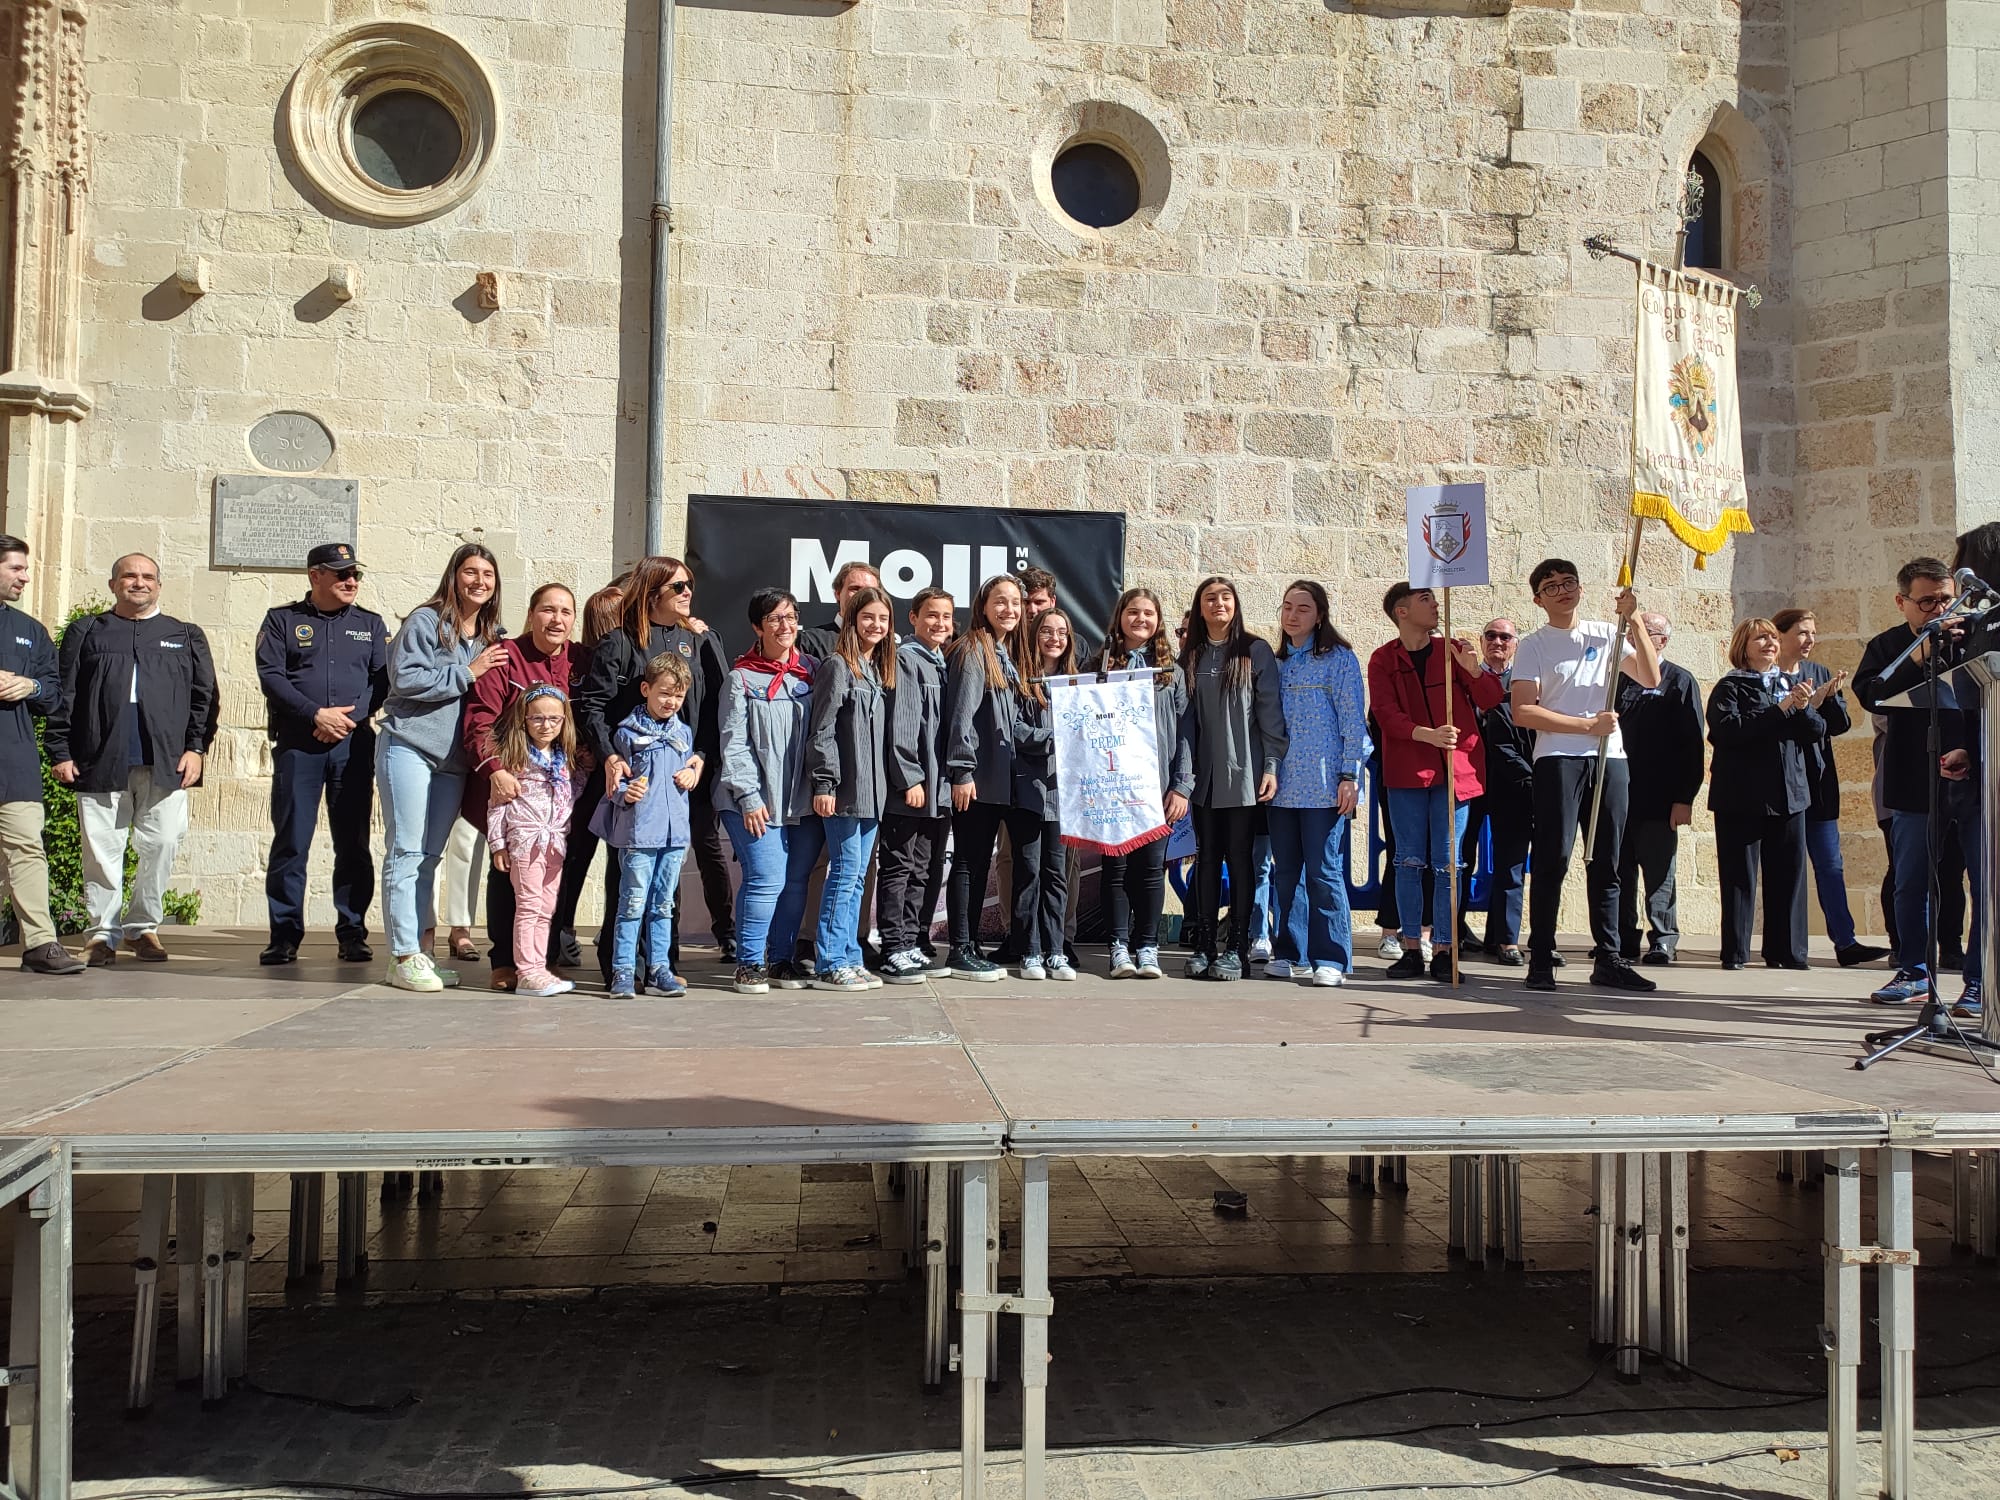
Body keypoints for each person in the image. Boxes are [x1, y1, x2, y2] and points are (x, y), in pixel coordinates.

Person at [46, 553, 218, 966]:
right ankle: (101, 934)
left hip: (166, 760)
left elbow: (204, 697)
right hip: (99, 757)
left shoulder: (184, 634)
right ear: (113, 584)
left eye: (147, 577)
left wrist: (196, 748)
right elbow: (62, 692)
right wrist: (60, 749)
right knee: (102, 849)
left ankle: (143, 927)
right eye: (129, 576)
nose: (138, 583)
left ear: (159, 585)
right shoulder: (88, 632)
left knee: (162, 843)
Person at [1509, 558, 1661, 994]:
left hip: (1609, 759)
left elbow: (1650, 675)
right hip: (1559, 757)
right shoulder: (1535, 645)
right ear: (1538, 598)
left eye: (1568, 582)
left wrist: (1633, 622)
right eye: (1551, 586)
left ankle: (1609, 957)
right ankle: (1540, 956)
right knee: (1554, 857)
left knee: (1608, 860)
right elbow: (1523, 711)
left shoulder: (1605, 633)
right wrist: (1585, 726)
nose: (1562, 590)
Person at [575, 556, 730, 980]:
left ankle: (662, 963)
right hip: (634, 776)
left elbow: (718, 705)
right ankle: (622, 964)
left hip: (684, 775)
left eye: (689, 585)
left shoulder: (694, 639)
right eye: (678, 586)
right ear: (652, 592)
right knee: (628, 873)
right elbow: (594, 706)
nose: (687, 593)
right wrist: (610, 756)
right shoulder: (620, 641)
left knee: (669, 875)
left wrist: (701, 757)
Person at [375, 544, 508, 993]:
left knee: (430, 856)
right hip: (409, 745)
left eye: (487, 574)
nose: (479, 581)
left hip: (455, 763)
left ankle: (421, 954)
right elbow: (405, 679)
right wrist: (467, 672)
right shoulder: (426, 620)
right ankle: (402, 955)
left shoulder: (493, 635)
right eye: (470, 572)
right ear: (453, 576)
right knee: (406, 852)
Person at [255, 542, 388, 966]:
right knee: (292, 842)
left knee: (353, 843)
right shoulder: (283, 620)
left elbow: (381, 682)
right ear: (315, 576)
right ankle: (284, 935)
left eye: (355, 574)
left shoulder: (370, 624)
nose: (351, 581)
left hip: (352, 746)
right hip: (300, 745)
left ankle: (352, 932)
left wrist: (347, 720)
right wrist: (314, 713)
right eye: (340, 573)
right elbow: (271, 675)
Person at [1368, 582, 1504, 982]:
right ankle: (1412, 947)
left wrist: (1474, 670)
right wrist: (1426, 734)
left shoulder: (1452, 652)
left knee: (1449, 863)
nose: (1434, 605)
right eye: (1424, 599)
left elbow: (1492, 699)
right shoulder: (1382, 659)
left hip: (1454, 773)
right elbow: (1385, 713)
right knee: (1408, 861)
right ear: (1402, 612)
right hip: (1407, 772)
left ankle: (1445, 946)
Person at [1856, 557, 1971, 1006]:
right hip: (1912, 777)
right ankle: (1913, 970)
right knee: (1912, 880)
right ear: (1902, 602)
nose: (1939, 610)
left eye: (1945, 599)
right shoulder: (1888, 646)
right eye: (1927, 602)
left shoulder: (1973, 639)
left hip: (1972, 778)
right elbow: (1872, 695)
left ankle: (1977, 981)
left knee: (1978, 880)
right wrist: (1921, 653)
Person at [462, 583, 582, 991]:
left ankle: (541, 961)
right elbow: (479, 721)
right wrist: (496, 769)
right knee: (506, 876)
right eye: (548, 610)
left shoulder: (578, 660)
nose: (557, 619)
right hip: (510, 789)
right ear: (531, 614)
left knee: (552, 880)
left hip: (558, 795)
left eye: (566, 612)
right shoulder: (505, 658)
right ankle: (504, 962)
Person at [1179, 574, 1288, 982]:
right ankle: (1205, 944)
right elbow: (1185, 723)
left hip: (1245, 778)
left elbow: (1271, 715)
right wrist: (1185, 777)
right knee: (1207, 861)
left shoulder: (1254, 652)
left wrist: (1271, 766)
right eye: (1210, 598)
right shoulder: (1191, 655)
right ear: (1199, 606)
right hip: (1204, 779)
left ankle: (1237, 948)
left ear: (1235, 604)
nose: (1218, 604)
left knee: (1242, 861)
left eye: (1225, 597)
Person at [714, 588, 822, 995]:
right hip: (754, 799)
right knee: (765, 878)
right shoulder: (740, 678)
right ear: (758, 627)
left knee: (795, 882)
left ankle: (780, 958)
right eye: (775, 618)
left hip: (802, 798)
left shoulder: (811, 670)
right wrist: (748, 796)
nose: (786, 625)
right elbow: (733, 742)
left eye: (791, 617)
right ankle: (749, 963)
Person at [1084, 587, 1191, 981]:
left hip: (1157, 788)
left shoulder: (1171, 672)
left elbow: (1185, 733)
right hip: (1113, 788)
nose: (1140, 619)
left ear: (1158, 621)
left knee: (1150, 870)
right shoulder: (1097, 665)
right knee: (1115, 871)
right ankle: (1118, 947)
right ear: (1119, 618)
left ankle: (1147, 947)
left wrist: (1181, 786)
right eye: (1133, 612)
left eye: (1148, 613)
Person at [1775, 607, 1887, 968]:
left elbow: (1836, 726)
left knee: (1830, 864)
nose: (1810, 640)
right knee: (1783, 867)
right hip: (1780, 783)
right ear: (1781, 635)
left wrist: (1827, 699)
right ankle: (1782, 944)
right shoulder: (1768, 675)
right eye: (1803, 632)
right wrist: (1804, 707)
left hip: (1819, 782)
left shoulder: (1819, 672)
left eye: (1813, 632)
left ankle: (1846, 942)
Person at [1707, 619, 1821, 971]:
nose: (1770, 643)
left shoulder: (1790, 684)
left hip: (1789, 794)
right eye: (1761, 637)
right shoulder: (1731, 686)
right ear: (1744, 644)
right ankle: (1737, 951)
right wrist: (1780, 708)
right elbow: (1727, 732)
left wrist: (1801, 708)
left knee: (1789, 874)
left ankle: (1787, 951)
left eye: (1773, 637)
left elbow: (1816, 730)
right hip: (1742, 796)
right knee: (1740, 875)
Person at [1268, 580, 1366, 987]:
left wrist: (1350, 775)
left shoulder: (1339, 659)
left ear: (1320, 614)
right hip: (1280, 786)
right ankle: (1292, 952)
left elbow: (1352, 721)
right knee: (1286, 870)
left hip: (1324, 784)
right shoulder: (1274, 663)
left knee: (1323, 871)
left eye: (1303, 608)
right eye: (1287, 607)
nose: (1293, 615)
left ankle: (1333, 957)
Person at [943, 573, 1039, 981]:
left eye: (1016, 603)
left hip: (1005, 780)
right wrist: (962, 771)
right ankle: (961, 948)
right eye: (1000, 602)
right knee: (969, 861)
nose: (1010, 610)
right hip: (977, 780)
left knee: (987, 862)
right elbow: (961, 717)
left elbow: (1012, 724)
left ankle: (985, 945)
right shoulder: (971, 650)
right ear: (982, 606)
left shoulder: (1008, 654)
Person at [594, 653, 701, 998]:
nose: (671, 701)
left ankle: (659, 969)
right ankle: (623, 970)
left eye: (678, 695)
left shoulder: (683, 734)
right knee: (631, 903)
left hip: (674, 835)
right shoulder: (626, 734)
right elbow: (613, 785)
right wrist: (627, 791)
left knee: (663, 905)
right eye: (664, 693)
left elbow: (693, 771)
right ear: (646, 689)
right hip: (639, 834)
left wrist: (692, 774)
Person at [805, 585, 895, 991]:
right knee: (842, 874)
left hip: (872, 796)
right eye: (868, 617)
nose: (876, 625)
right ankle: (828, 961)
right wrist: (825, 782)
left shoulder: (874, 669)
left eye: (882, 618)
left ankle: (850, 955)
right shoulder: (838, 665)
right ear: (853, 620)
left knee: (857, 878)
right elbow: (821, 731)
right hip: (844, 793)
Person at [0, 535, 82, 974]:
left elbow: (55, 694)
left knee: (27, 850)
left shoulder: (30, 630)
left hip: (13, 762)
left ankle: (39, 945)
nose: (25, 576)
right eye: (15, 568)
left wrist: (29, 686)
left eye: (25, 568)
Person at [1614, 612, 1706, 966]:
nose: (1635, 638)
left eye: (1646, 632)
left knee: (1659, 874)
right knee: (1618, 872)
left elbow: (1691, 745)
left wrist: (1684, 798)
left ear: (1663, 641)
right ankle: (1621, 939)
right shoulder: (1618, 677)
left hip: (1660, 797)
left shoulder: (1679, 680)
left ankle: (1663, 939)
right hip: (1619, 795)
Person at [548, 574, 626, 968]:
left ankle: (593, 932)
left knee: (609, 857)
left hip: (608, 767)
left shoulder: (627, 657)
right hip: (586, 771)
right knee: (576, 855)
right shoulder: (586, 659)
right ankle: (561, 930)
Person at [878, 587, 955, 984]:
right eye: (931, 615)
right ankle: (892, 947)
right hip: (913, 788)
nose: (939, 623)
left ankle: (911, 941)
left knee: (924, 869)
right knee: (899, 867)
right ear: (913, 618)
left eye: (945, 616)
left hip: (939, 790)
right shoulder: (908, 660)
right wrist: (911, 777)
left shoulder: (942, 663)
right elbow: (903, 726)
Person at [486, 686, 581, 998]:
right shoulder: (515, 757)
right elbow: (497, 804)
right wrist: (498, 843)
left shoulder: (563, 758)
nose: (547, 725)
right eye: (538, 718)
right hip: (526, 840)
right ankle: (526, 971)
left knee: (546, 907)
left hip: (555, 841)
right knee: (527, 906)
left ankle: (538, 967)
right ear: (524, 720)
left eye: (555, 719)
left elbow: (568, 797)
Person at [1468, 617, 1534, 964]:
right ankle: (1454, 930)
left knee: (1510, 861)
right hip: (1469, 781)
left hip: (1512, 785)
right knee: (1460, 859)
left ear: (1515, 644)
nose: (1498, 642)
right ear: (1481, 642)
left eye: (1505, 637)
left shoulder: (1525, 683)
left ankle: (1505, 938)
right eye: (1491, 635)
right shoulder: (1466, 679)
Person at [1014, 607, 1074, 980]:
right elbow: (1015, 729)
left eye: (1062, 633)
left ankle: (1056, 951)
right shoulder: (1021, 680)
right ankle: (1029, 951)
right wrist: (1053, 738)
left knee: (1057, 875)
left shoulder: (1076, 683)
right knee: (1029, 872)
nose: (1055, 638)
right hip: (1028, 791)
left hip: (1064, 796)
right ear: (1034, 636)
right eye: (1047, 632)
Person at [796, 561, 882, 664]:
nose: (862, 596)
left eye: (869, 591)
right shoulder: (810, 641)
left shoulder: (886, 647)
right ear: (838, 593)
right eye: (855, 589)